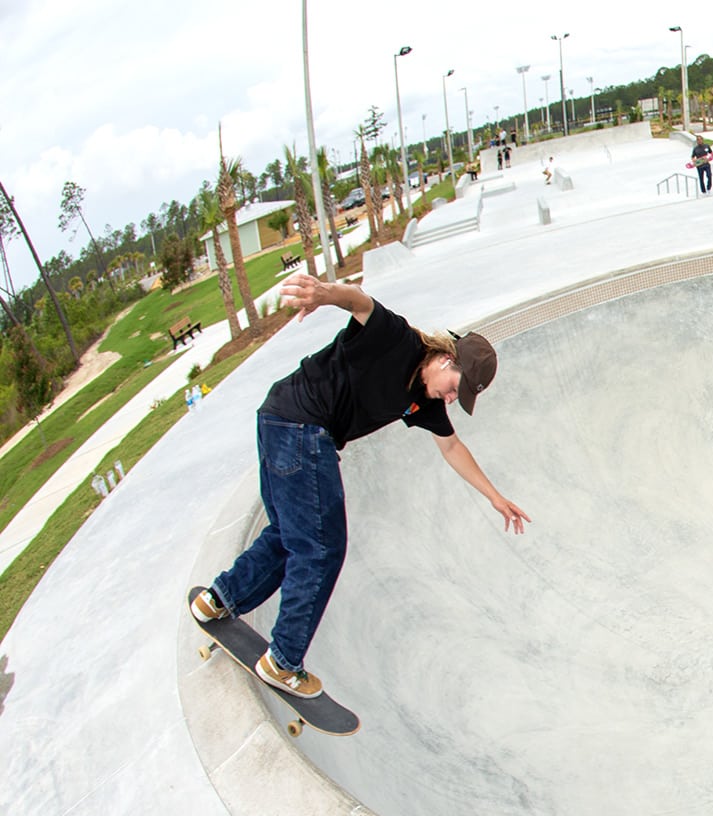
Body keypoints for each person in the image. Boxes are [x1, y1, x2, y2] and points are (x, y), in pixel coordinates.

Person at [189, 274, 530, 697]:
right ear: (447, 360)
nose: (447, 400)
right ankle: (283, 661)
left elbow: (452, 446)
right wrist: (323, 293)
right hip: (302, 425)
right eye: (453, 390)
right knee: (321, 548)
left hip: (277, 418)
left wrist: (495, 497)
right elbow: (359, 301)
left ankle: (219, 599)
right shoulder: (398, 340)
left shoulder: (422, 401)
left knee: (290, 536)